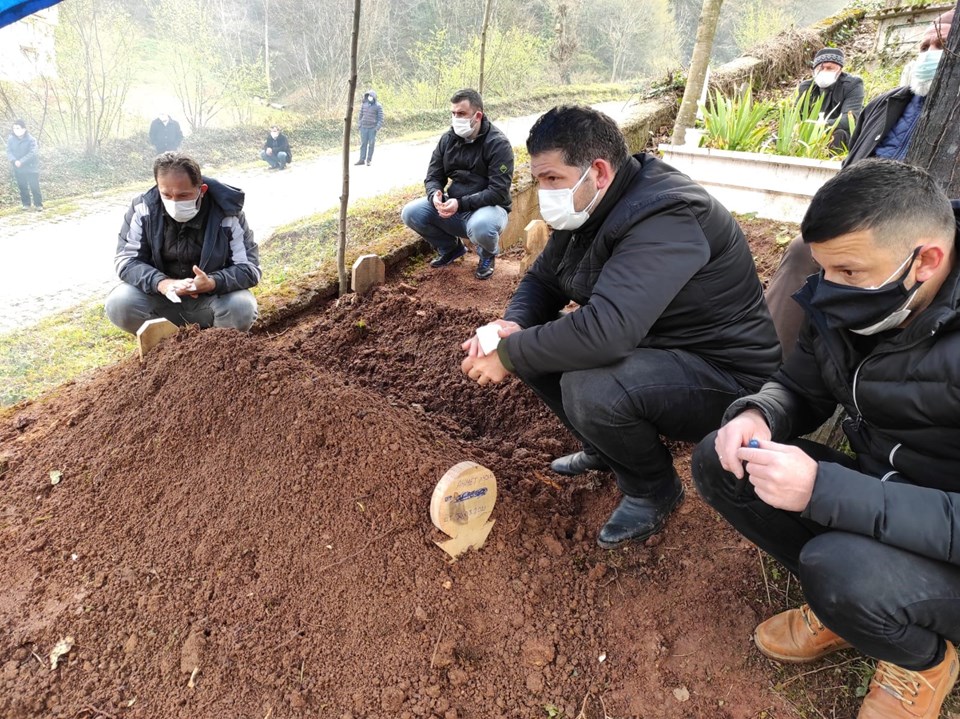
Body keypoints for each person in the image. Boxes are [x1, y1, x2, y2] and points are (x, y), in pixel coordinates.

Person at [693, 160, 960, 719]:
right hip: (888, 484)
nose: (830, 291)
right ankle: (847, 607)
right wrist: (760, 414)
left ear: (927, 260)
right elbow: (800, 385)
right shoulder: (857, 299)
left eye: (848, 272)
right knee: (723, 462)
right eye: (822, 269)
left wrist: (824, 489)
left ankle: (923, 658)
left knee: (840, 571)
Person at [460, 106, 781, 548]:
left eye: (551, 179)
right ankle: (605, 447)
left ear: (598, 171)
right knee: (534, 346)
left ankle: (653, 489)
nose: (543, 192)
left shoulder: (665, 214)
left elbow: (608, 331)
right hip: (659, 349)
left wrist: (510, 354)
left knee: (590, 386)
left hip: (726, 376)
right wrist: (510, 327)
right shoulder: (592, 206)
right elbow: (544, 278)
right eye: (538, 180)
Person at [767, 11, 953, 357]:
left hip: (921, 231)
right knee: (802, 251)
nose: (929, 53)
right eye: (925, 44)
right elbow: (850, 169)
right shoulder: (887, 104)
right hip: (860, 222)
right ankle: (763, 355)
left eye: (941, 45)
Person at [105, 152, 260, 334]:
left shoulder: (227, 213)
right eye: (166, 195)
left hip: (211, 299)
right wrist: (162, 283)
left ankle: (215, 344)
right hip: (162, 297)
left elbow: (249, 268)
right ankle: (166, 346)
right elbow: (126, 261)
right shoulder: (143, 209)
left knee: (241, 307)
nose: (174, 202)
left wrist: (212, 282)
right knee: (119, 303)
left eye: (183, 195)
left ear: (201, 190)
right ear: (158, 187)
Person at [400, 88, 514, 281]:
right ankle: (450, 248)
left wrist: (460, 203)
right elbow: (433, 176)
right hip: (455, 207)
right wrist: (434, 194)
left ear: (477, 115)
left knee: (482, 227)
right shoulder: (448, 140)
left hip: (487, 209)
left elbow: (498, 192)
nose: (456, 119)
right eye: (453, 113)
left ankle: (487, 255)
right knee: (411, 213)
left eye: (461, 114)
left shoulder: (498, 144)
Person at [795, 47, 864, 150]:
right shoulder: (807, 87)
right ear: (814, 70)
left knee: (839, 135)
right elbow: (796, 116)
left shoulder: (852, 85)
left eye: (830, 68)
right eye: (820, 68)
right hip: (809, 134)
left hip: (839, 132)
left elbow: (850, 118)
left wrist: (819, 125)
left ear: (840, 70)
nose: (824, 71)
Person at [6, 119, 42, 211]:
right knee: (22, 187)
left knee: (34, 186)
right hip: (18, 167)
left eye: (18, 128)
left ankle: (38, 204)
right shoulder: (11, 139)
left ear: (24, 129)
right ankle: (26, 204)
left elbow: (32, 153)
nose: (15, 130)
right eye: (14, 128)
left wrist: (21, 161)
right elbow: (9, 151)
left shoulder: (31, 139)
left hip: (31, 167)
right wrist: (14, 161)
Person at [356, 89, 384, 166]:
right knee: (363, 144)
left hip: (372, 128)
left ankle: (369, 160)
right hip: (363, 128)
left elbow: (381, 118)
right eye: (368, 96)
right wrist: (360, 125)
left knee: (371, 144)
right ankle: (362, 160)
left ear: (374, 97)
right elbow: (360, 115)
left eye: (371, 96)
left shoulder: (378, 106)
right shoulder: (364, 104)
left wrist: (377, 128)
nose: (369, 97)